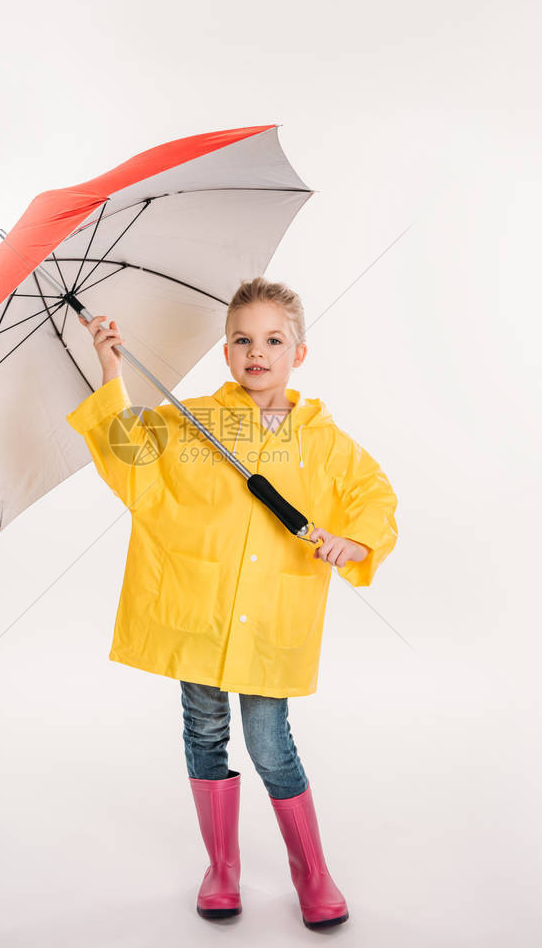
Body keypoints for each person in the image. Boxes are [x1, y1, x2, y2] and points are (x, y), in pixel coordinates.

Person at [65, 277, 399, 930]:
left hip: (270, 620)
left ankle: (312, 871)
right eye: (242, 339)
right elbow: (128, 454)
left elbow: (372, 492)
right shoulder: (193, 419)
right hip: (199, 612)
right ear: (224, 351)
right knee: (205, 732)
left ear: (297, 353)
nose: (257, 351)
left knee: (270, 744)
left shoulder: (322, 439)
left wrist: (353, 540)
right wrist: (110, 367)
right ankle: (221, 866)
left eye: (273, 339)